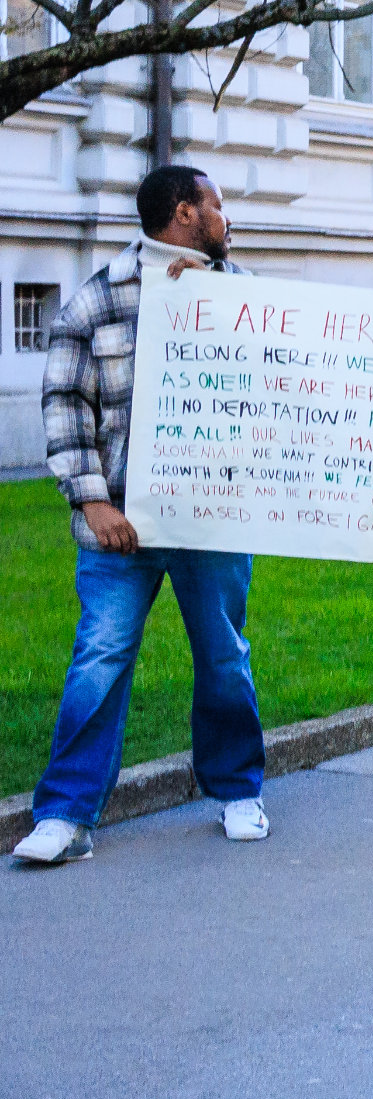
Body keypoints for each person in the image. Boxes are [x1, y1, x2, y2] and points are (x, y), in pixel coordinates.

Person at [15, 166, 267, 867]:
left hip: (211, 519)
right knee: (99, 657)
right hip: (119, 525)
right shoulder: (98, 300)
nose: (226, 216)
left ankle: (237, 791)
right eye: (216, 205)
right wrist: (91, 499)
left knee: (224, 657)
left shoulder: (244, 296)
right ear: (186, 213)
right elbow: (66, 403)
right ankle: (66, 814)